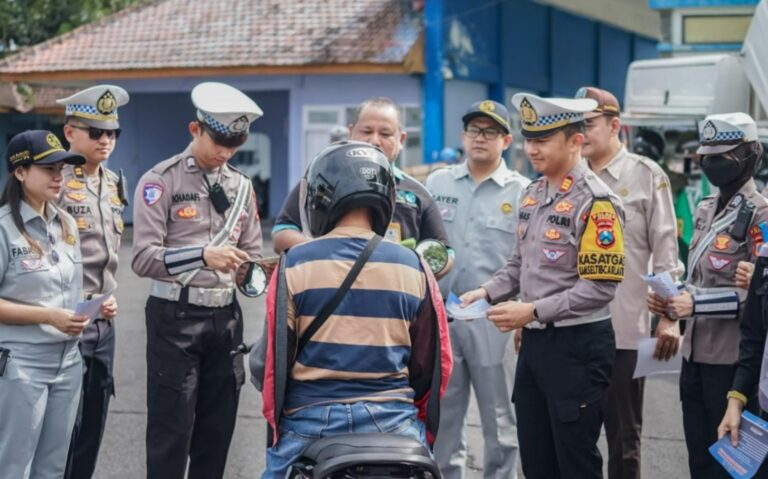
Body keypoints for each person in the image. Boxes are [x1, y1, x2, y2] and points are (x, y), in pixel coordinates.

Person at [252, 141, 452, 478]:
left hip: (310, 423)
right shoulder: (414, 265)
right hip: (394, 423)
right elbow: (432, 364)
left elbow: (271, 362)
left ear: (319, 198)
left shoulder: (295, 262)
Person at [461, 93, 625, 478]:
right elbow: (518, 265)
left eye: (543, 140)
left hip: (578, 346)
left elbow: (600, 288)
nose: (532, 149)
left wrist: (532, 310)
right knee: (536, 460)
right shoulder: (532, 194)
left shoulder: (597, 202)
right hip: (535, 344)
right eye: (529, 140)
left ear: (575, 141)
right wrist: (486, 292)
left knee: (575, 462)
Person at [131, 82, 264, 479]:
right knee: (171, 431)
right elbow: (142, 257)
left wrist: (252, 271)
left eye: (235, 145)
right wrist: (203, 255)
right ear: (195, 129)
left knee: (216, 431)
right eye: (219, 142)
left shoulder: (242, 186)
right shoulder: (161, 180)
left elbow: (252, 251)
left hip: (225, 318)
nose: (225, 152)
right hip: (175, 316)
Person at [648, 112, 768, 478]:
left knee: (732, 468)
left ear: (749, 156)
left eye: (722, 157)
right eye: (708, 157)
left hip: (732, 362)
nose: (711, 164)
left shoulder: (761, 214)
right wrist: (671, 299)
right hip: (694, 357)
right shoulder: (704, 208)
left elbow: (759, 298)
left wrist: (695, 304)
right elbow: (698, 277)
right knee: (699, 463)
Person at [577, 86, 680, 479]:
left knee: (624, 439)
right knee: (574, 439)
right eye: (576, 125)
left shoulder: (646, 175)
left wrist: (669, 317)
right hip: (573, 329)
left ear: (614, 125)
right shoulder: (571, 176)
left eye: (588, 124)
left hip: (624, 333)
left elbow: (666, 255)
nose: (581, 133)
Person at [426, 100, 529, 479]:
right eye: (474, 130)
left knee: (500, 420)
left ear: (506, 141)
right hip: (444, 316)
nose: (480, 138)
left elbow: (530, 261)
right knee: (443, 416)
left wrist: (524, 312)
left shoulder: (522, 191)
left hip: (495, 319)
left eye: (490, 132)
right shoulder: (438, 183)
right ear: (463, 136)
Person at [271, 97, 453, 277]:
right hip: (328, 288)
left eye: (385, 134)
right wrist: (325, 253)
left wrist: (414, 275)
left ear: (401, 139)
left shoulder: (417, 194)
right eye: (367, 131)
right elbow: (282, 233)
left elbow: (445, 253)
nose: (374, 141)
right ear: (351, 132)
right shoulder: (320, 181)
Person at [0, 130, 88, 477]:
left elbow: (64, 288)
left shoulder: (66, 223)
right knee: (13, 467)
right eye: (48, 168)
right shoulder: (4, 229)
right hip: (22, 367)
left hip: (67, 363)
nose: (58, 176)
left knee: (52, 469)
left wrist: (90, 305)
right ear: (20, 172)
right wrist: (49, 316)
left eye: (61, 168)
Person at [57, 84, 129, 479]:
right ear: (70, 132)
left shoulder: (115, 182)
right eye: (96, 132)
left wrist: (106, 297)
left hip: (103, 322)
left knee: (95, 418)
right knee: (62, 426)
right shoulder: (54, 182)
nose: (106, 140)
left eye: (112, 132)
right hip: (65, 319)